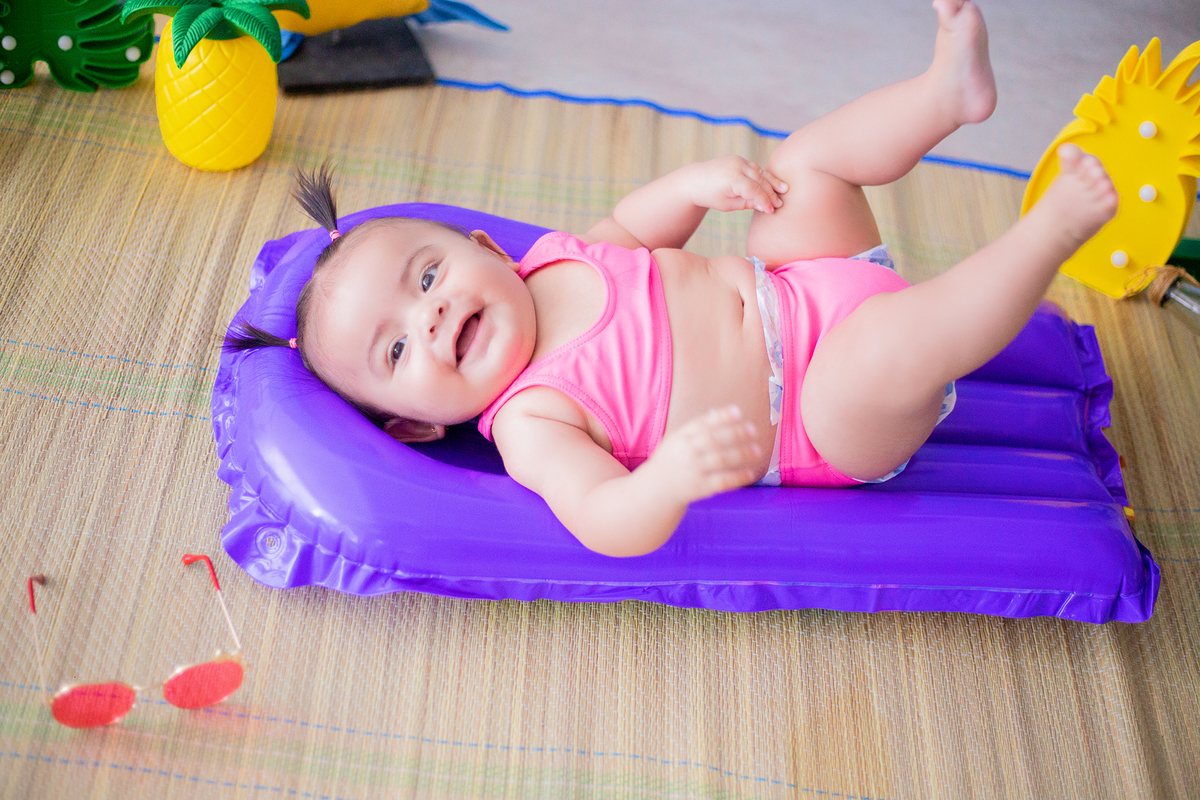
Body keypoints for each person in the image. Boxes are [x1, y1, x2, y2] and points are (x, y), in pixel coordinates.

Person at [227, 0, 1118, 557]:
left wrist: (694, 187)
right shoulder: (532, 420)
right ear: (417, 425)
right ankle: (1045, 238)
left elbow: (634, 229)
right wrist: (667, 480)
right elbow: (604, 518)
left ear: (484, 249)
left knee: (805, 164)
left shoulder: (549, 260)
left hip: (803, 281)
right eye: (395, 347)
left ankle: (946, 94)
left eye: (426, 276)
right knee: (886, 348)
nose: (429, 317)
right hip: (819, 414)